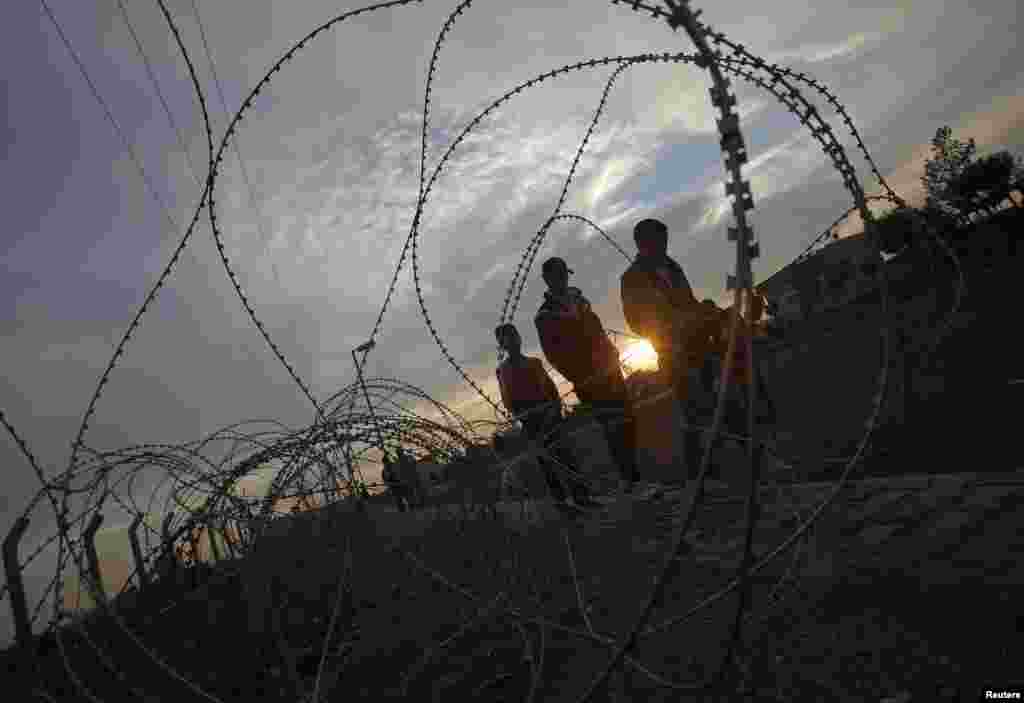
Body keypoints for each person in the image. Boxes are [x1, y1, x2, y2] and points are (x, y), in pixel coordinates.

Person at [620, 218, 725, 480]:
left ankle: (713, 468)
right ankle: (699, 474)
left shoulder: (672, 266)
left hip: (699, 344)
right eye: (658, 242)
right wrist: (670, 328)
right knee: (692, 410)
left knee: (713, 404)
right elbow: (636, 323)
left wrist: (702, 311)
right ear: (643, 243)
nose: (664, 246)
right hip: (673, 353)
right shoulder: (632, 278)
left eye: (665, 241)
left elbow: (687, 302)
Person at [534, 257, 641, 493]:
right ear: (547, 279)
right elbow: (554, 355)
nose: (562, 279)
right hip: (589, 379)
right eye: (557, 275)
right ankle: (630, 481)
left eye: (564, 274)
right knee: (611, 425)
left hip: (609, 369)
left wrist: (612, 354)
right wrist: (580, 376)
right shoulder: (545, 315)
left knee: (627, 419)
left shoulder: (580, 301)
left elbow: (598, 331)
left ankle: (635, 477)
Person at [495, 322, 601, 512]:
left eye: (514, 335)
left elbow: (551, 389)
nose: (512, 340)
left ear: (519, 337)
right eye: (506, 338)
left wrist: (554, 410)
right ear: (501, 344)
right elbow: (509, 400)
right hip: (531, 421)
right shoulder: (503, 370)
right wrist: (527, 416)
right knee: (547, 463)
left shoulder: (535, 363)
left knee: (567, 457)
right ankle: (561, 504)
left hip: (550, 415)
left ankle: (582, 497)